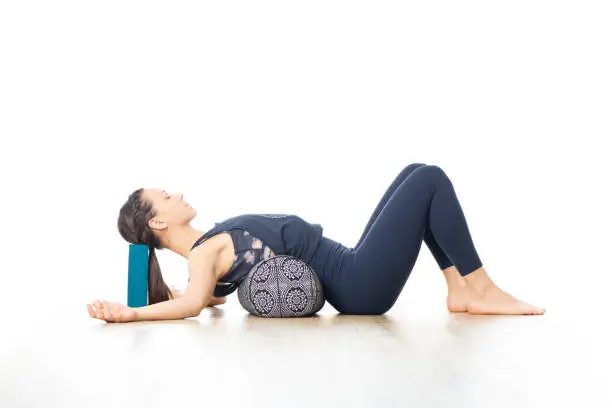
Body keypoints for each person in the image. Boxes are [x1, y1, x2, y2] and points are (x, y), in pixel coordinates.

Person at [87, 163, 545, 323]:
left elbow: (194, 298)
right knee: (429, 179)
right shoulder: (206, 256)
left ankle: (459, 289)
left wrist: (158, 298)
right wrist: (132, 313)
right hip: (358, 284)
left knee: (415, 171)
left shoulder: (204, 258)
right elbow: (189, 304)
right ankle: (481, 288)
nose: (177, 193)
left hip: (349, 267)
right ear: (160, 221)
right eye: (166, 196)